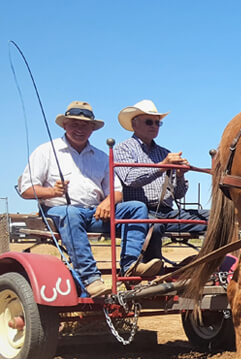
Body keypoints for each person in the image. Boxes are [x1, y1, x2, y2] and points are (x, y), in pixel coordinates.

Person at [19, 100, 163, 298]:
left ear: (92, 129)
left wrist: (107, 202)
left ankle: (131, 265)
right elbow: (26, 189)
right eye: (75, 124)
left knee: (137, 207)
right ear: (64, 125)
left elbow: (117, 192)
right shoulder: (46, 151)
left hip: (93, 213)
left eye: (85, 125)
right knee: (70, 213)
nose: (80, 129)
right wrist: (52, 192)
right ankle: (90, 278)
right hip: (58, 212)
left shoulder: (101, 156)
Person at [114, 100, 209, 260]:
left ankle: (209, 264)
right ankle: (151, 271)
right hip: (140, 212)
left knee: (214, 218)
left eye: (158, 123)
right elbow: (130, 179)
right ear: (134, 124)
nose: (154, 126)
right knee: (154, 226)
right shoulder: (123, 149)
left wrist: (180, 175)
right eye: (149, 121)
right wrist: (163, 166)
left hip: (167, 212)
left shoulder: (165, 152)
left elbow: (178, 194)